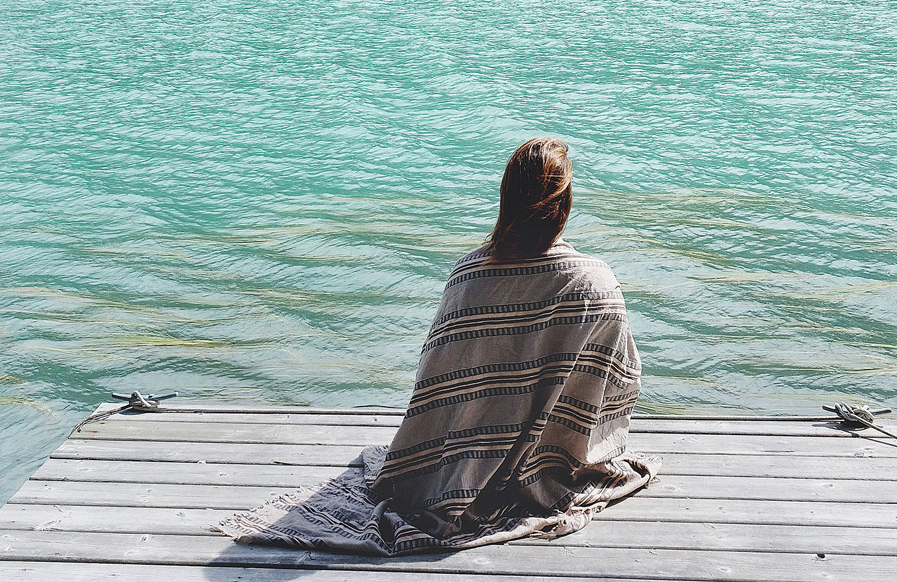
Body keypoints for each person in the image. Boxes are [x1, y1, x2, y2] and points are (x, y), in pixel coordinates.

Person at [219, 137, 657, 554]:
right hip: (552, 464)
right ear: (564, 205)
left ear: (507, 200)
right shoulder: (595, 281)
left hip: (452, 467)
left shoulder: (470, 273)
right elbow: (618, 380)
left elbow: (439, 382)